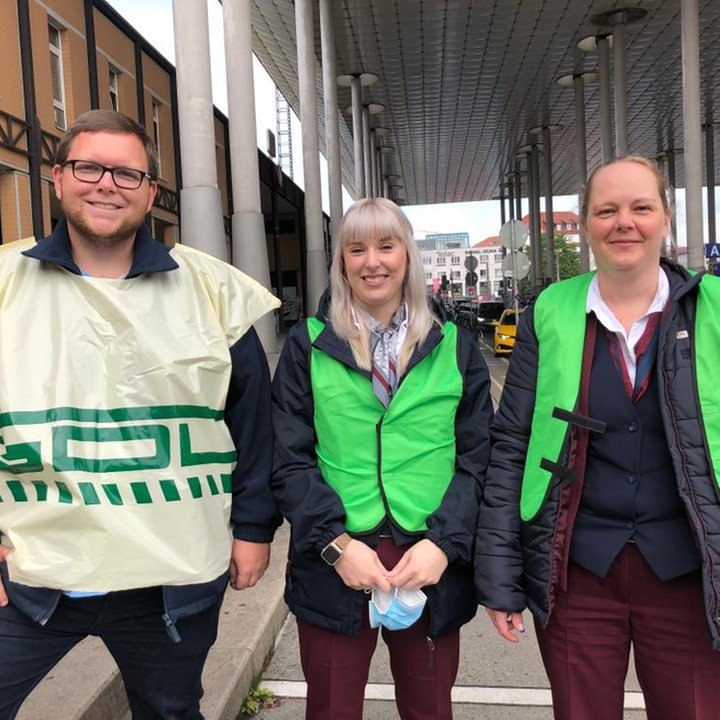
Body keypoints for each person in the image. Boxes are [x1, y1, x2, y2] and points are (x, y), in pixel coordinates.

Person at [0, 110, 281, 720]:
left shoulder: (207, 288)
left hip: (171, 578)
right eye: (89, 167)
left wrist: (254, 529)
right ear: (58, 177)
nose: (107, 184)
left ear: (152, 192)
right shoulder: (4, 283)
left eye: (128, 174)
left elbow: (255, 422)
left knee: (170, 713)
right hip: (33, 572)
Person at [475, 155, 720, 720]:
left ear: (666, 218)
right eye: (606, 210)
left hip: (686, 571)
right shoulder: (551, 312)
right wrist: (500, 575)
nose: (623, 223)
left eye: (640, 207)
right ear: (586, 222)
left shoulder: (710, 310)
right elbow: (512, 443)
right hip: (577, 571)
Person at [271, 197, 493, 720]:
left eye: (386, 246)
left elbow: (479, 458)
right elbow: (288, 457)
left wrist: (445, 544)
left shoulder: (455, 347)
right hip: (336, 559)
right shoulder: (309, 346)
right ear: (342, 262)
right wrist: (335, 546)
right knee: (331, 710)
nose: (373, 261)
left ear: (408, 257)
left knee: (429, 709)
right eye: (357, 248)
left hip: (429, 560)